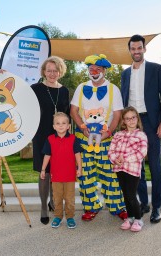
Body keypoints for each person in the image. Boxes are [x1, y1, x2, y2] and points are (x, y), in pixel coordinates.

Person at [120, 34, 161, 223]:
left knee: (155, 166)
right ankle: (144, 203)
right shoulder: (125, 74)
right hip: (133, 123)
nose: (136, 51)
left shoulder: (156, 69)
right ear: (130, 50)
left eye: (139, 48)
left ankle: (157, 208)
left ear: (144, 48)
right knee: (136, 167)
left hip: (152, 121)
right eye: (133, 49)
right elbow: (124, 101)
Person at [70, 54, 127, 221]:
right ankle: (91, 207)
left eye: (98, 69)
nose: (94, 72)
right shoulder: (81, 87)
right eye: (91, 69)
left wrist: (108, 132)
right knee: (85, 175)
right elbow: (73, 111)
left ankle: (116, 207)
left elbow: (117, 115)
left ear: (104, 71)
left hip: (105, 140)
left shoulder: (113, 89)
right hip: (84, 139)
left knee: (110, 174)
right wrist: (82, 127)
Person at [31, 56, 70, 225]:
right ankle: (43, 208)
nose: (52, 73)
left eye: (55, 70)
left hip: (59, 136)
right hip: (41, 136)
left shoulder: (65, 91)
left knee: (58, 171)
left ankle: (54, 202)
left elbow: (67, 114)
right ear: (44, 72)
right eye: (49, 70)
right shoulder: (35, 88)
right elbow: (16, 94)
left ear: (60, 71)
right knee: (44, 172)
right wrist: (2, 75)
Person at [108, 107, 148, 232]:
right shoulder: (118, 135)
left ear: (137, 118)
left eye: (133, 117)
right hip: (120, 169)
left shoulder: (141, 135)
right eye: (127, 118)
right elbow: (111, 151)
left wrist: (124, 158)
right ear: (123, 121)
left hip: (132, 169)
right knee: (125, 195)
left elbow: (141, 153)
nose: (131, 120)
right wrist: (115, 159)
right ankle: (130, 217)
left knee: (131, 195)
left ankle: (138, 219)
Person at [41, 112, 82, 229]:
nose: (61, 125)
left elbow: (77, 154)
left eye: (64, 123)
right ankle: (58, 216)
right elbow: (47, 155)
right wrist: (43, 169)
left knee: (69, 198)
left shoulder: (74, 139)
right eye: (57, 123)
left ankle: (70, 217)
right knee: (57, 198)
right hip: (56, 176)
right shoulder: (50, 139)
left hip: (69, 175)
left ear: (68, 125)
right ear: (54, 126)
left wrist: (80, 168)